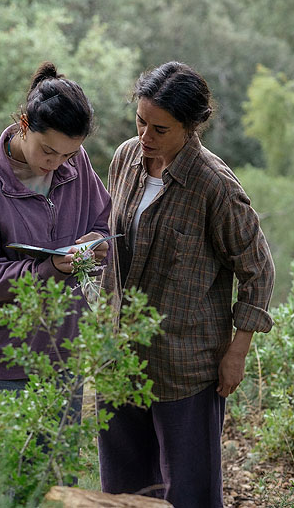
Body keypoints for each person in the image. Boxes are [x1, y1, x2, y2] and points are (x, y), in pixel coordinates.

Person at [98, 61, 275, 507]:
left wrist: (237, 353)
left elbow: (258, 269)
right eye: (140, 121)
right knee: (124, 490)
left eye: (160, 128)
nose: (145, 137)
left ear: (192, 126)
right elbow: (114, 235)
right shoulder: (124, 160)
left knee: (190, 495)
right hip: (119, 357)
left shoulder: (214, 186)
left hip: (185, 366)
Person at [0, 62, 111, 460]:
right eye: (48, 150)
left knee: (50, 488)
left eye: (69, 153)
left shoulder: (76, 163)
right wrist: (50, 269)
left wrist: (99, 243)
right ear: (23, 123)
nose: (57, 162)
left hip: (61, 351)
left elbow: (104, 220)